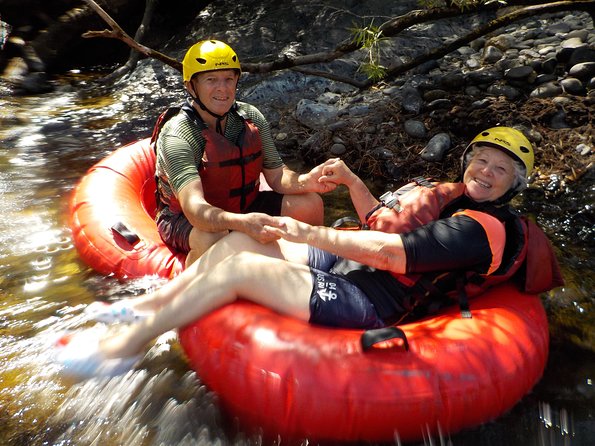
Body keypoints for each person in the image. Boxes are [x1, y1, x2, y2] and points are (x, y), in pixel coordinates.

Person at [59, 127, 562, 377]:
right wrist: (349, 180)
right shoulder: (450, 195)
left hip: (374, 301)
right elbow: (380, 222)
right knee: (239, 238)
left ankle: (122, 351)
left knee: (240, 268)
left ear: (514, 184)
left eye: (501, 169)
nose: (485, 171)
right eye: (482, 158)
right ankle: (144, 309)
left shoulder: (484, 229)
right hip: (353, 268)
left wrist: (303, 233)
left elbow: (390, 253)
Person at [153, 39, 330, 266]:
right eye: (211, 80)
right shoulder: (179, 134)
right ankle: (192, 288)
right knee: (213, 236)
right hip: (184, 219)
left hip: (244, 206)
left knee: (310, 203)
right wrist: (242, 223)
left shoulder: (250, 117)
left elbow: (277, 177)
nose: (223, 89)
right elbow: (195, 210)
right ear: (191, 86)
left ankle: (315, 268)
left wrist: (308, 181)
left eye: (229, 79)